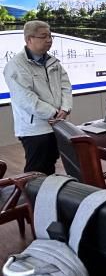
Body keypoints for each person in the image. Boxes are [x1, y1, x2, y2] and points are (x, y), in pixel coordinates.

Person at [3, 20, 72, 174]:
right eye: (43, 36)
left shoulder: (53, 62)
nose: (49, 40)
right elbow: (25, 99)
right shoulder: (16, 65)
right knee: (36, 169)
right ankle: (31, 190)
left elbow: (66, 86)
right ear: (29, 39)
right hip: (35, 128)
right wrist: (54, 113)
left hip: (56, 123)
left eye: (50, 36)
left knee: (50, 163)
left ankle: (48, 189)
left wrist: (65, 108)